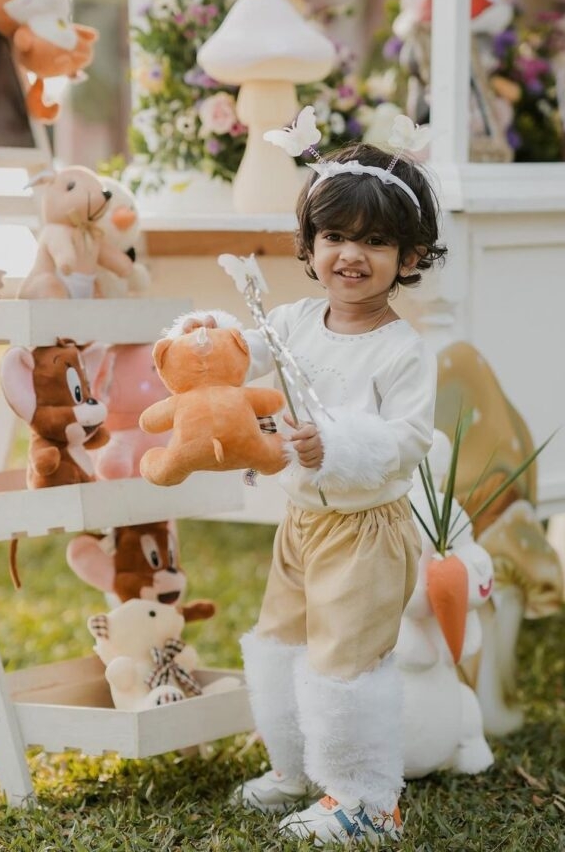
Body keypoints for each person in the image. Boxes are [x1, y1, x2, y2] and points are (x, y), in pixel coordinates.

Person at [179, 136, 446, 845]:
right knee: (282, 641)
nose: (349, 255)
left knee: (344, 663)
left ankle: (364, 799)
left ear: (410, 258)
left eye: (375, 241)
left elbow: (408, 440)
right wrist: (209, 339)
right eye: (333, 236)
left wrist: (338, 444)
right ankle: (295, 767)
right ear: (309, 244)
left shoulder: (401, 349)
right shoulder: (295, 321)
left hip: (365, 531)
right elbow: (244, 352)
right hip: (300, 524)